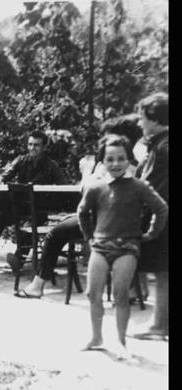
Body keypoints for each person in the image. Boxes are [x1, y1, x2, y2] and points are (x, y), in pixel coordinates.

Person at [16, 114, 143, 298]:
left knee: (54, 234)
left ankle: (37, 286)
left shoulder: (107, 164)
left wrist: (85, 171)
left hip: (101, 222)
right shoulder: (136, 165)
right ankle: (132, 289)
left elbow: (87, 191)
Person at [77, 134, 167, 359]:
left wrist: (151, 233)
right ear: (102, 162)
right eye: (110, 159)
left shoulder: (139, 186)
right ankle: (97, 337)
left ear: (129, 160)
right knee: (92, 293)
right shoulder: (95, 186)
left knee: (120, 295)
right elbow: (82, 212)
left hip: (127, 248)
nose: (115, 164)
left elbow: (161, 208)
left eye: (120, 158)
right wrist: (89, 236)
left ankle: (120, 341)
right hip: (100, 246)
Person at [0, 130, 67, 274]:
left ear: (44, 147)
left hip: (38, 208)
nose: (32, 148)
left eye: (36, 145)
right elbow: (5, 175)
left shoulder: (51, 165)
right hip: (17, 206)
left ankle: (18, 260)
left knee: (31, 228)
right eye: (30, 144)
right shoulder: (21, 160)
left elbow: (63, 186)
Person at [131, 92, 169, 341]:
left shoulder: (162, 147)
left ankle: (158, 325)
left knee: (164, 272)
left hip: (165, 218)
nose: (139, 123)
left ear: (154, 119)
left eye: (142, 118)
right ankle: (159, 322)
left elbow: (147, 186)